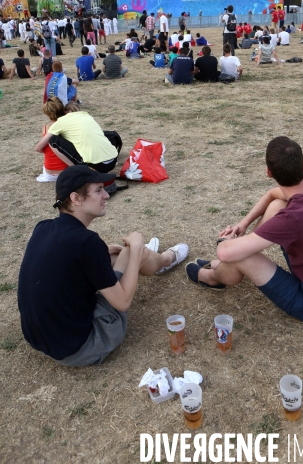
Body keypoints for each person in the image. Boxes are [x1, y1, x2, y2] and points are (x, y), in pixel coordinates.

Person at [18, 165, 189, 366]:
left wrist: (103, 252)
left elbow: (64, 262)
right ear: (76, 198)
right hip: (81, 349)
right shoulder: (87, 242)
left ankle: (156, 258)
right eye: (98, 190)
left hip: (42, 340)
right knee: (133, 253)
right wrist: (134, 249)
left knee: (115, 256)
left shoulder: (43, 227)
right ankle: (165, 260)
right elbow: (123, 303)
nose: (106, 196)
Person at [185, 136, 303, 324]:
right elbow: (272, 195)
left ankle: (210, 277)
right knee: (277, 205)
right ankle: (232, 259)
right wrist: (243, 224)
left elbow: (225, 252)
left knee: (239, 255)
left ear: (269, 172)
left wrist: (227, 241)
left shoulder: (294, 217)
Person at [35, 104, 118, 172]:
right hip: (113, 161)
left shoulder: (61, 121)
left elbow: (38, 148)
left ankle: (77, 170)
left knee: (52, 140)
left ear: (64, 111)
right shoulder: (87, 116)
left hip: (97, 166)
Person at [35, 97, 69, 181]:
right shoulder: (68, 125)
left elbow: (39, 149)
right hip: (67, 171)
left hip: (49, 173)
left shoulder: (45, 128)